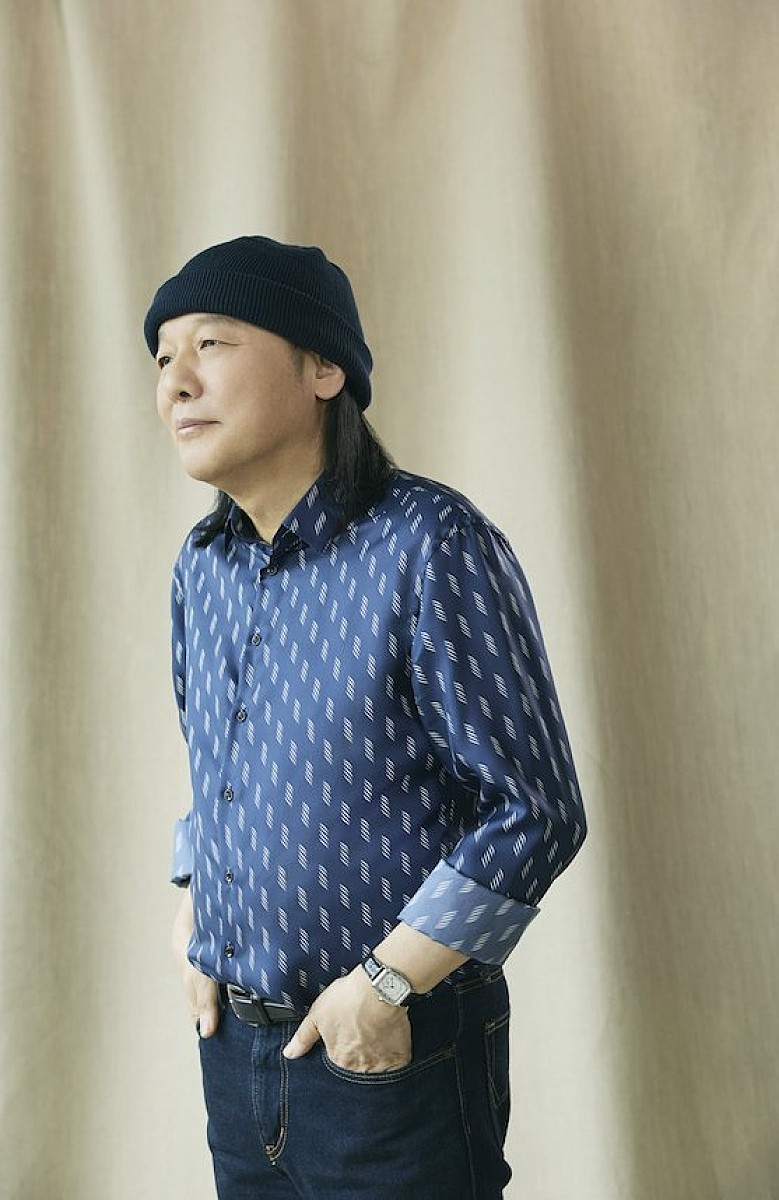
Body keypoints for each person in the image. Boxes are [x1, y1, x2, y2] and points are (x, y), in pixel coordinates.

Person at [144, 235, 587, 1200]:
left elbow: (536, 810)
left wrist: (383, 986)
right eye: (163, 356)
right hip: (234, 1058)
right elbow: (221, 771)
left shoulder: (430, 544)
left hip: (387, 1059)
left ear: (323, 368)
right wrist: (194, 917)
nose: (175, 381)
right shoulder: (200, 570)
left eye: (210, 344)